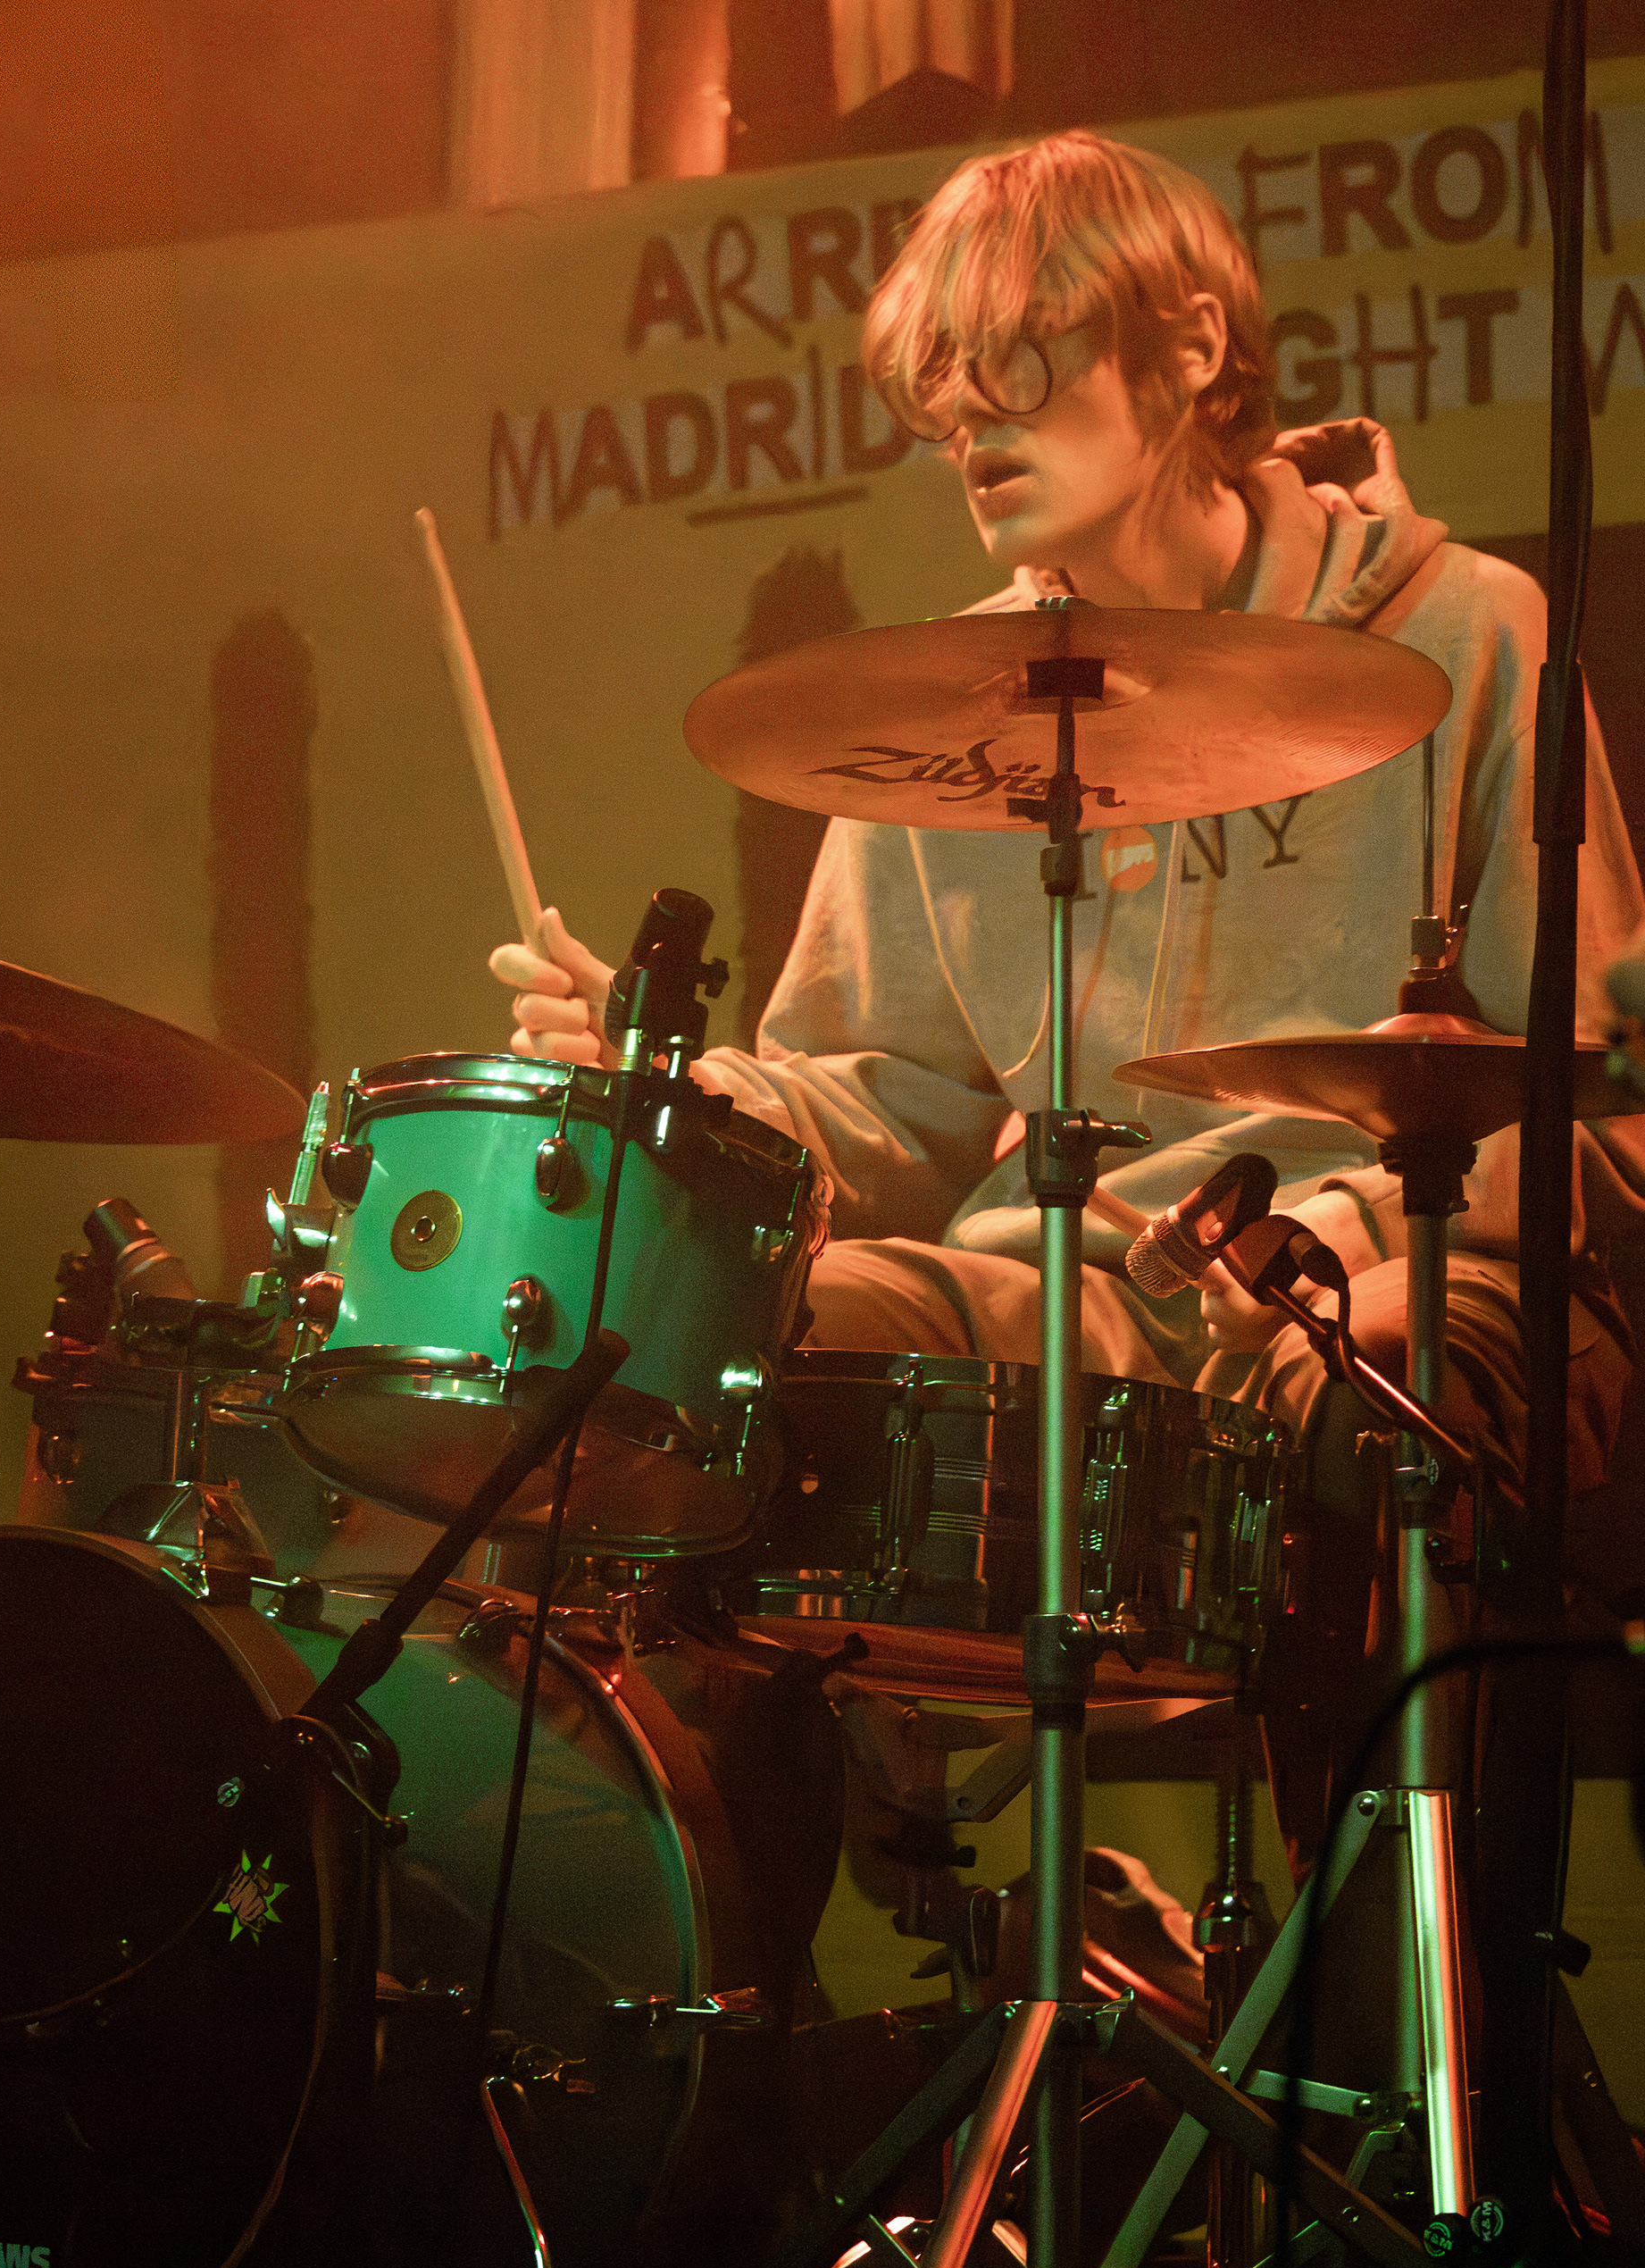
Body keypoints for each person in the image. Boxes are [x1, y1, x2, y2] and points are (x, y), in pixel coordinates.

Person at [491, 130, 1645, 1856]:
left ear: (1188, 347)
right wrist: (684, 1093)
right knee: (712, 1369)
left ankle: (1389, 1994)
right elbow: (887, 1096)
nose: (966, 420)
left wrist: (1344, 1230)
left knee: (1389, 1395)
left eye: (1016, 360)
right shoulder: (954, 702)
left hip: (1403, 1269)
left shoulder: (1468, 634)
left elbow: (1594, 1102)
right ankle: (728, 1996)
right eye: (939, 385)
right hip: (1067, 1293)